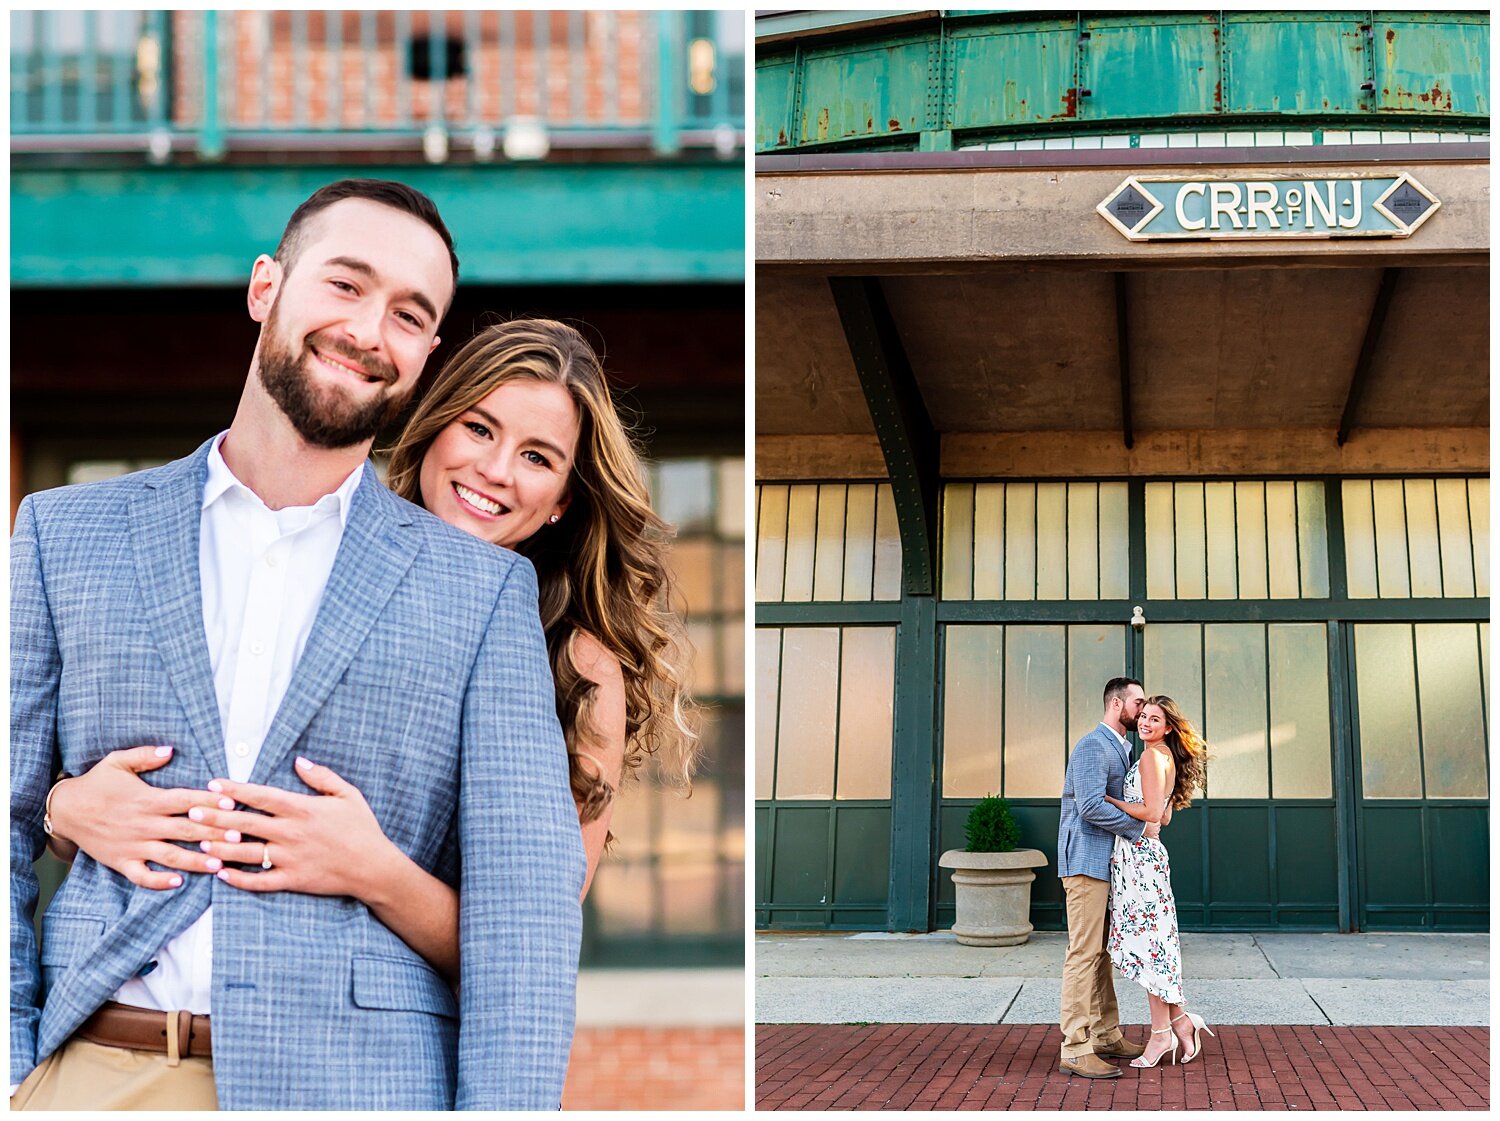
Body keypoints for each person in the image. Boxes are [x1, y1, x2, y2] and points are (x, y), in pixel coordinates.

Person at [11, 179, 584, 1110]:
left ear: (427, 353)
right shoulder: (63, 533)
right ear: (266, 286)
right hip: (94, 1069)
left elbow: (526, 923)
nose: (368, 329)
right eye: (346, 285)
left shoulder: (482, 591)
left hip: (362, 1083)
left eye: (408, 314)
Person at [44, 318, 699, 987]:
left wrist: (374, 871)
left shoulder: (576, 662)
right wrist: (63, 808)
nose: (495, 470)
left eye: (538, 457)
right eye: (479, 428)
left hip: (401, 1051)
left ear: (564, 496)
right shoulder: (313, 554)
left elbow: (531, 949)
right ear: (437, 426)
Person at [1103, 695, 1213, 1068]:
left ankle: (1162, 1033)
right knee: (1155, 948)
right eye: (1144, 717)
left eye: (1155, 719)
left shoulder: (1152, 756)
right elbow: (1162, 818)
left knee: (1151, 950)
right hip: (1144, 856)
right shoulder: (1162, 755)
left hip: (1141, 861)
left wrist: (1111, 800)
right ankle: (1181, 1022)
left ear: (1168, 727)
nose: (1147, 723)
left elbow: (1150, 813)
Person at [1055, 676, 1156, 1079]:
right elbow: (1091, 807)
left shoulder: (1122, 748)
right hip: (1085, 863)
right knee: (1083, 953)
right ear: (1117, 704)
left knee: (1102, 953)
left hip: (1105, 864)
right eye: (1138, 702)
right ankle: (1076, 1047)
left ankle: (1105, 1033)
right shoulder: (1092, 745)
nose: (1144, 709)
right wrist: (1141, 828)